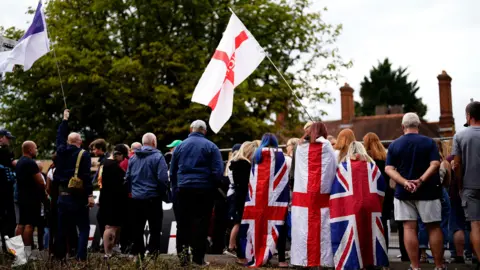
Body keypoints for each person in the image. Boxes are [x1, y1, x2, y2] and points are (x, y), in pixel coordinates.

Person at [385, 112, 445, 270]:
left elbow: (389, 169)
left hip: (404, 192)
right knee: (433, 227)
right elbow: (435, 164)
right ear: (418, 125)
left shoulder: (394, 145)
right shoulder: (429, 142)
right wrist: (421, 180)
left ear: (403, 127)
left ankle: (415, 266)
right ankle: (439, 266)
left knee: (409, 228)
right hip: (428, 191)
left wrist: (405, 182)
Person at [170, 120, 223, 267]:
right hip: (204, 190)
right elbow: (218, 171)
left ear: (190, 129)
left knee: (183, 224)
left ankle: (183, 259)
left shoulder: (180, 147)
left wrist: (176, 188)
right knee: (201, 224)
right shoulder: (211, 147)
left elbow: (173, 171)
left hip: (183, 189)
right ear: (204, 131)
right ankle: (198, 259)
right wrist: (212, 186)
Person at [330, 141, 388, 269]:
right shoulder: (372, 167)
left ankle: (355, 263)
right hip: (371, 206)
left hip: (350, 206)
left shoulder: (342, 167)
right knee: (369, 233)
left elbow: (335, 191)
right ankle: (371, 262)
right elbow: (382, 188)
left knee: (354, 234)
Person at [238, 133, 289, 267]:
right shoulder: (281, 155)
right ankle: (282, 260)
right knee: (279, 226)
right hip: (276, 200)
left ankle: (255, 254)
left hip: (257, 199)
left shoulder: (256, 155)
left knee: (257, 226)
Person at [291, 122, 336, 268]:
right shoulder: (328, 146)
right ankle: (323, 261)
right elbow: (333, 167)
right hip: (323, 195)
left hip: (303, 196)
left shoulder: (299, 148)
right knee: (322, 229)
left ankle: (302, 260)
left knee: (303, 229)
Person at [54, 109, 94, 262]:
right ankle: (81, 257)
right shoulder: (83, 155)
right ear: (80, 142)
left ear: (68, 141)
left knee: (62, 229)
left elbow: (59, 136)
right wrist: (90, 195)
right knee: (84, 228)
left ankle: (60, 258)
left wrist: (65, 119)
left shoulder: (60, 151)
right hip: (77, 197)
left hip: (62, 196)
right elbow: (86, 177)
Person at [126, 132, 169, 258]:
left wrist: (132, 192)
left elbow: (127, 177)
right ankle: (153, 254)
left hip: (136, 199)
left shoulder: (133, 158)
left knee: (137, 228)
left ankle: (139, 255)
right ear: (154, 143)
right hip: (153, 198)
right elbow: (162, 178)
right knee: (155, 229)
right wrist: (162, 193)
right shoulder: (158, 157)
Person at [452, 101, 480, 269]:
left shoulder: (460, 136)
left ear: (469, 116)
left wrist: (460, 186)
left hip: (470, 186)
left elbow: (457, 164)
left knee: (475, 225)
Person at [418, 140, 452, 263]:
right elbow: (447, 182)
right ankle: (440, 257)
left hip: (423, 193)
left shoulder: (421, 162)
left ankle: (422, 255)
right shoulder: (443, 163)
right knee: (441, 224)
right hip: (440, 193)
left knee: (422, 224)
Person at [224, 142, 256, 261]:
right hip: (242, 197)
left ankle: (234, 246)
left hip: (236, 195)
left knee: (238, 222)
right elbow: (245, 184)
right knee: (240, 223)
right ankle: (236, 248)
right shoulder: (244, 165)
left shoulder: (235, 163)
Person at [15, 141, 45, 259]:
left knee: (20, 224)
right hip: (32, 197)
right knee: (29, 225)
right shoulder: (30, 163)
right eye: (35, 148)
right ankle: (27, 253)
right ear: (30, 150)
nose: (36, 150)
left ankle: (18, 253)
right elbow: (40, 181)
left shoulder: (19, 162)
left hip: (21, 196)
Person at [363, 132, 393, 250]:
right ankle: (384, 249)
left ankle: (373, 250)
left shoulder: (367, 160)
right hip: (386, 193)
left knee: (370, 224)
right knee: (383, 222)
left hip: (372, 194)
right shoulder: (386, 158)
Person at [99, 144, 129, 259]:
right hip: (113, 201)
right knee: (110, 227)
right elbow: (120, 183)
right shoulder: (112, 166)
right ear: (118, 154)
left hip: (106, 198)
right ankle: (108, 252)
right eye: (123, 156)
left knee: (114, 226)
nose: (123, 160)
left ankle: (111, 250)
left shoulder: (104, 163)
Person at [0, 129, 16, 253]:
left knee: (5, 222)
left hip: (6, 192)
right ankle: (13, 253)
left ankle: (7, 251)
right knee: (10, 222)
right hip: (5, 192)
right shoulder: (4, 152)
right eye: (8, 138)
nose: (9, 140)